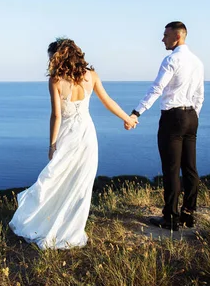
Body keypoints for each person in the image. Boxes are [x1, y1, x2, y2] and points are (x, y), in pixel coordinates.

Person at [9, 38, 138, 249]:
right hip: (86, 134)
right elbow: (108, 101)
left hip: (68, 135)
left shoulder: (55, 81)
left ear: (58, 56)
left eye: (51, 56)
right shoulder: (91, 76)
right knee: (80, 184)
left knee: (57, 179)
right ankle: (71, 230)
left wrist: (51, 145)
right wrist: (127, 118)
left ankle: (48, 224)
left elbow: (56, 116)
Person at [127, 21, 204, 231]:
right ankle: (189, 214)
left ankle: (170, 218)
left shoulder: (171, 59)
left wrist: (136, 112)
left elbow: (156, 89)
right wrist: (192, 115)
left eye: (165, 35)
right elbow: (199, 95)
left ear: (177, 37)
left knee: (171, 169)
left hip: (173, 117)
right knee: (190, 168)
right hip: (191, 118)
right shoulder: (197, 62)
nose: (162, 39)